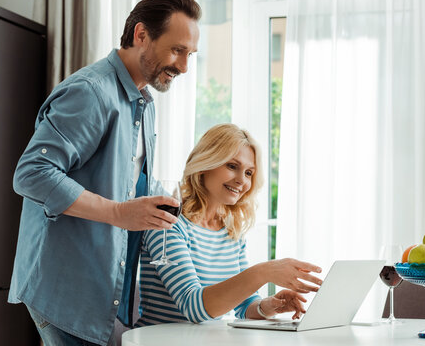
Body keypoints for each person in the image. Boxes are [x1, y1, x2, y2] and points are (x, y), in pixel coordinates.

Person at [8, 0, 201, 345]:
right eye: (177, 50)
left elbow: (127, 180)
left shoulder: (143, 102)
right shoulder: (92, 92)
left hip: (103, 290)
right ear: (141, 35)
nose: (184, 66)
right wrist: (118, 213)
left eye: (190, 54)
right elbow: (32, 173)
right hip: (65, 290)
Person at [136, 124, 322, 326]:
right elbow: (193, 307)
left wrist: (269, 306)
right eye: (232, 166)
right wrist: (264, 271)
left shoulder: (231, 230)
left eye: (249, 173)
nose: (242, 180)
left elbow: (244, 305)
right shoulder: (167, 222)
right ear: (206, 163)